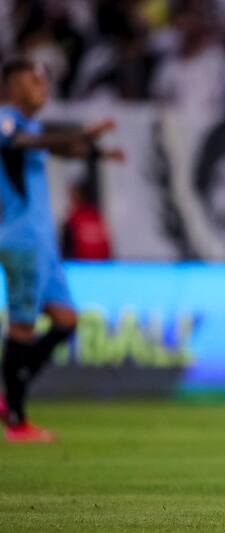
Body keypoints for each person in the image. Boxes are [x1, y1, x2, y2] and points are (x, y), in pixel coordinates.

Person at [0, 59, 122, 442]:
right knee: (23, 325)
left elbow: (55, 148)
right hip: (20, 237)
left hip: (42, 242)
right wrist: (81, 131)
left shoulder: (31, 126)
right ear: (13, 85)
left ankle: (9, 392)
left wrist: (97, 153)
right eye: (34, 81)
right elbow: (23, 142)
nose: (43, 87)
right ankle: (17, 420)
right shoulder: (6, 119)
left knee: (66, 320)